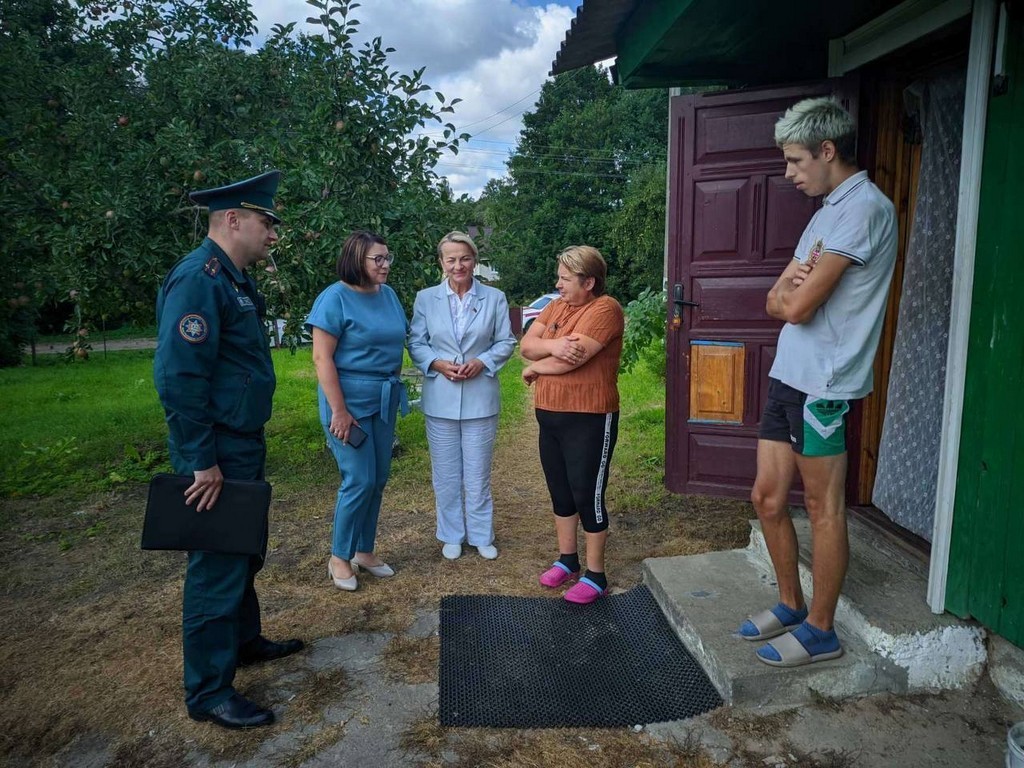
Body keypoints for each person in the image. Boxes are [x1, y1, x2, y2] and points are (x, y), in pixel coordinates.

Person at [737, 97, 897, 667]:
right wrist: (787, 295)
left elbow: (796, 304)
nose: (789, 173)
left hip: (825, 383)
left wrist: (789, 296)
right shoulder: (828, 208)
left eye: (796, 161)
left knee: (822, 506)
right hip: (789, 375)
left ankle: (822, 630)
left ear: (828, 151)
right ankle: (789, 603)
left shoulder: (863, 211)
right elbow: (775, 296)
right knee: (767, 497)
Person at [154, 170, 304, 730]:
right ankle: (210, 692)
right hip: (215, 449)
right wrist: (202, 459)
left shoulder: (234, 279)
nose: (273, 234)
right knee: (216, 564)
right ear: (233, 219)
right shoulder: (200, 279)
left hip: (240, 441)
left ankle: (244, 642)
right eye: (267, 222)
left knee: (243, 550)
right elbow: (177, 377)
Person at [520, 246, 624, 605]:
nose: (558, 284)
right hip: (549, 414)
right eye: (559, 277)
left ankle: (596, 575)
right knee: (560, 490)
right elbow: (527, 345)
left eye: (565, 278)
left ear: (589, 281)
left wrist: (536, 367)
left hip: (589, 417)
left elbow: (571, 361)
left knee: (586, 493)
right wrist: (552, 346)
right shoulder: (556, 306)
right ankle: (568, 560)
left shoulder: (605, 309)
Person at [306, 231, 408, 592]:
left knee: (378, 479)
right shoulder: (334, 299)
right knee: (358, 480)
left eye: (387, 258)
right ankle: (339, 556)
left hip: (383, 401)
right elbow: (322, 359)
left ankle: (364, 551)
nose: (385, 265)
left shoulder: (389, 295)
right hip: (346, 404)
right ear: (356, 260)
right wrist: (339, 411)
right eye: (377, 259)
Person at [408, 231, 517, 561]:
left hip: (480, 397)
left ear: (475, 261)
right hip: (440, 397)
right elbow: (416, 342)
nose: (459, 265)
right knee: (445, 473)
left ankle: (482, 533)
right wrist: (437, 363)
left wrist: (482, 361)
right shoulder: (426, 298)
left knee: (478, 473)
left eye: (465, 258)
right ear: (441, 263)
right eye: (451, 259)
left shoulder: (494, 298)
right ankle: (451, 533)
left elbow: (506, 342)